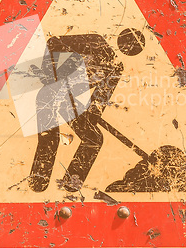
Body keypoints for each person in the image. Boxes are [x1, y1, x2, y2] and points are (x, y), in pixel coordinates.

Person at [28, 29, 145, 192]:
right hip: (49, 95)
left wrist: (91, 116)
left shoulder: (116, 68)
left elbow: (97, 106)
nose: (129, 48)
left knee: (93, 139)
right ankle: (37, 184)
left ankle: (70, 187)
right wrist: (50, 75)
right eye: (130, 43)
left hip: (64, 100)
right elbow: (53, 42)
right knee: (51, 138)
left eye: (134, 48)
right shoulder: (95, 41)